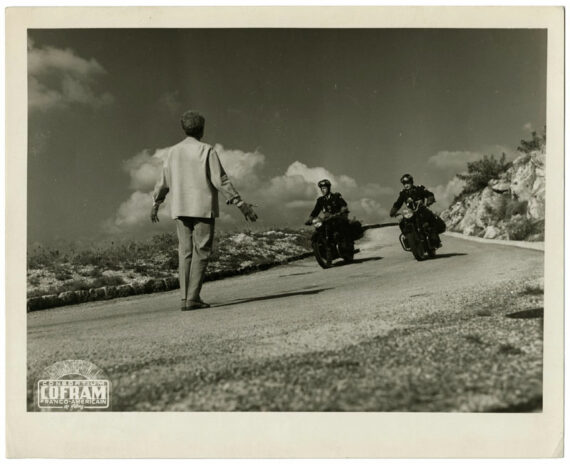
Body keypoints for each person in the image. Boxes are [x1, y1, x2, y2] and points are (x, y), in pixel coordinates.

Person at [151, 110, 258, 311]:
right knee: (201, 252)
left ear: (184, 129)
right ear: (202, 129)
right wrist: (240, 203)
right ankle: (193, 297)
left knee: (185, 252)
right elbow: (221, 180)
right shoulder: (207, 150)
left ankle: (184, 298)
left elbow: (163, 181)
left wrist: (156, 203)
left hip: (180, 208)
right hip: (202, 208)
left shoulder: (173, 152)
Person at [389, 173, 443, 246]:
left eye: (407, 183)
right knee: (402, 222)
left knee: (429, 216)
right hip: (410, 212)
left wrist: (430, 200)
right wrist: (393, 211)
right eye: (404, 183)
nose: (406, 185)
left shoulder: (419, 189)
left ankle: (433, 236)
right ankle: (407, 237)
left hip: (421, 209)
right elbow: (398, 203)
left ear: (411, 182)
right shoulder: (403, 193)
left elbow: (429, 194)